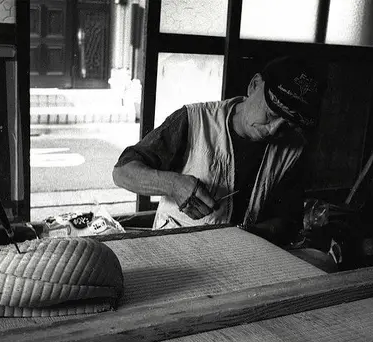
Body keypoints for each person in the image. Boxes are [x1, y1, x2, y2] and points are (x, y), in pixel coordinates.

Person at [113, 56, 326, 245]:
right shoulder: (195, 120)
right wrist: (173, 184)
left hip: (244, 256)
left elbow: (288, 218)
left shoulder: (293, 148)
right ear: (254, 85)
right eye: (271, 114)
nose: (274, 129)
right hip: (175, 251)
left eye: (289, 124)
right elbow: (122, 172)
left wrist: (253, 234)